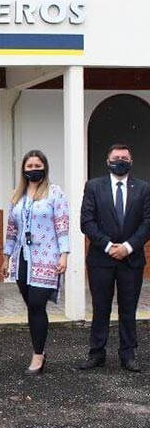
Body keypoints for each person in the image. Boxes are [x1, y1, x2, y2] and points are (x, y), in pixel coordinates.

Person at [78, 144, 150, 372]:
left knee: (128, 309)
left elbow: (148, 223)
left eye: (125, 157)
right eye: (116, 157)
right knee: (101, 308)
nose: (121, 160)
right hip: (101, 259)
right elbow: (86, 222)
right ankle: (96, 353)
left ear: (132, 161)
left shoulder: (144, 188)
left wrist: (127, 247)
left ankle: (128, 354)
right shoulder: (93, 187)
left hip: (132, 259)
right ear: (108, 161)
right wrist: (109, 246)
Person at [2, 150, 69, 376]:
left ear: (45, 167)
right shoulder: (17, 196)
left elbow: (62, 224)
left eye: (37, 165)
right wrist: (6, 257)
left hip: (47, 257)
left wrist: (64, 254)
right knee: (31, 305)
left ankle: (38, 354)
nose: (33, 169)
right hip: (22, 258)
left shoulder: (54, 193)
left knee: (38, 303)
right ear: (23, 169)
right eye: (29, 166)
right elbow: (12, 229)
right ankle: (38, 349)